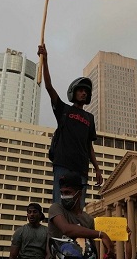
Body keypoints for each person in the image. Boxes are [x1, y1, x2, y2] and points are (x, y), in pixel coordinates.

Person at [37, 44, 102, 205]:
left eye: (85, 91)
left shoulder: (90, 117)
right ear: (74, 92)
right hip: (63, 165)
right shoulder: (64, 110)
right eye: (80, 90)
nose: (83, 93)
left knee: (77, 210)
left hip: (81, 168)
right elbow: (49, 87)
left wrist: (97, 168)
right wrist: (45, 59)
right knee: (60, 206)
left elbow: (89, 146)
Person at [47, 172, 113, 258]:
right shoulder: (56, 208)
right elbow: (66, 229)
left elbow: (90, 248)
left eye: (68, 192)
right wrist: (101, 234)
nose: (63, 196)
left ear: (79, 193)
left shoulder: (88, 219)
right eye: (62, 193)